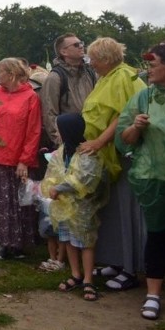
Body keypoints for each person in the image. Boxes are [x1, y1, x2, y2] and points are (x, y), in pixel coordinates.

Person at [116, 43, 165, 319]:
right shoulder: (145, 97)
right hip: (155, 179)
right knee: (158, 236)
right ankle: (153, 295)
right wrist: (135, 127)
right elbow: (123, 139)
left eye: (154, 63)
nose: (148, 68)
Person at [81, 37, 147, 291]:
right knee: (112, 211)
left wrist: (98, 142)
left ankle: (130, 268)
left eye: (93, 58)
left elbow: (122, 116)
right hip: (110, 156)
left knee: (127, 211)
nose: (91, 63)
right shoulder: (108, 76)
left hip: (123, 154)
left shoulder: (122, 77)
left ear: (106, 59)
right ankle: (117, 260)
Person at [42, 113, 110, 301]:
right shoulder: (62, 151)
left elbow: (85, 178)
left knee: (85, 242)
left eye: (59, 129)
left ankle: (89, 279)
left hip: (83, 206)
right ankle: (76, 274)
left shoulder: (87, 152)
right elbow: (53, 171)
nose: (58, 133)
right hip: (64, 205)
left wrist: (59, 187)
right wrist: (52, 187)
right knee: (68, 240)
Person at [0, 58, 42, 260]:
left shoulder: (30, 97)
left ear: (11, 73)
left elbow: (33, 131)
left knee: (18, 202)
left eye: (0, 72)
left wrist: (25, 160)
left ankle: (17, 244)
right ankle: (0, 242)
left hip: (16, 158)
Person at [41, 33, 96, 149]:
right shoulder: (55, 77)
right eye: (76, 45)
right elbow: (49, 113)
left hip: (93, 138)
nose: (81, 46)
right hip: (69, 139)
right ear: (63, 52)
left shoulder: (90, 73)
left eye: (81, 43)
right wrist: (60, 142)